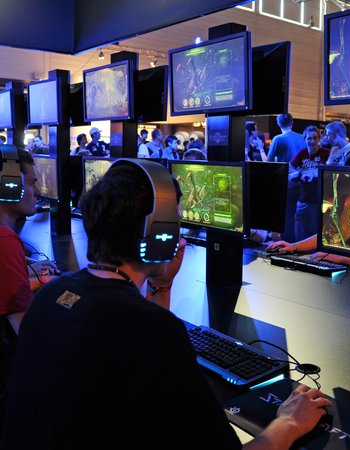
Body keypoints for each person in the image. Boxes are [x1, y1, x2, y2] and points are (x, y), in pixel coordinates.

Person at [1, 159, 332, 450]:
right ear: (157, 231)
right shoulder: (152, 331)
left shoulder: (52, 294)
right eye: (174, 221)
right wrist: (288, 422)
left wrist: (163, 283)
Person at [0, 148, 56, 426]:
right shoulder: (5, 241)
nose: (37, 190)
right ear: (9, 185)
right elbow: (30, 333)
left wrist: (35, 281)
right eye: (32, 182)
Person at [267, 114, 306, 243]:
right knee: (298, 215)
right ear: (292, 122)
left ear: (278, 124)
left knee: (287, 215)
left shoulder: (278, 139)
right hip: (302, 182)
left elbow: (269, 162)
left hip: (286, 183)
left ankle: (287, 243)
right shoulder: (302, 137)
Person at [289, 126, 330, 241]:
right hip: (303, 198)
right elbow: (290, 167)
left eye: (315, 138)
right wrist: (299, 174)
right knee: (299, 229)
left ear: (319, 138)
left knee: (315, 232)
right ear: (305, 139)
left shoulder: (326, 153)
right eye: (309, 138)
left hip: (320, 199)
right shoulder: (302, 153)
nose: (312, 141)